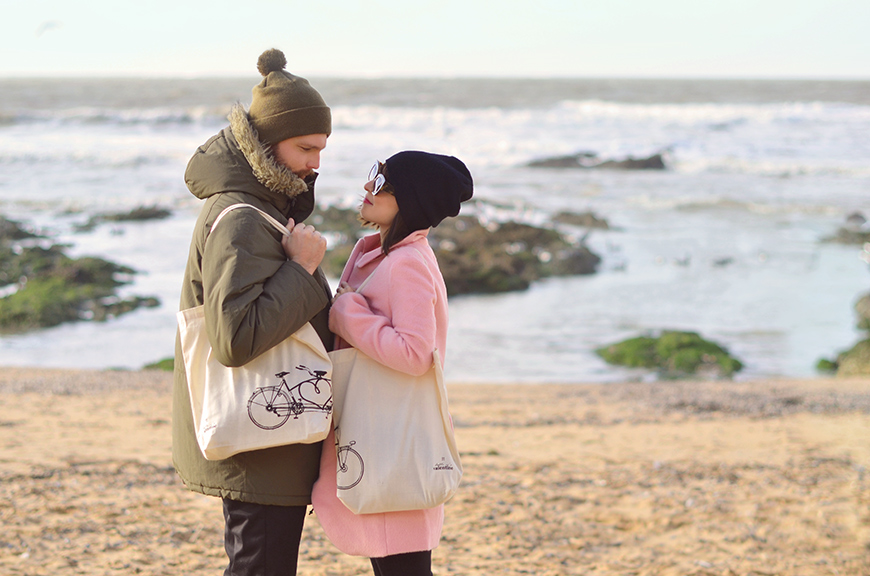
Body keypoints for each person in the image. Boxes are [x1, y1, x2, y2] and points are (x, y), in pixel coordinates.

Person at [172, 48, 333, 576]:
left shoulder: (260, 205)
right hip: (260, 436)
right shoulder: (241, 217)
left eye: (322, 149)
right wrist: (303, 270)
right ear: (264, 143)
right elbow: (235, 338)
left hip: (269, 431)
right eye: (306, 147)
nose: (317, 162)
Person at [311, 151, 473, 576]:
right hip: (380, 432)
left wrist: (347, 313)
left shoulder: (407, 263)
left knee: (404, 567)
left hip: (393, 438)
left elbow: (416, 353)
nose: (368, 188)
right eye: (373, 177)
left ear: (411, 199)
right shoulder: (382, 254)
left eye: (381, 182)